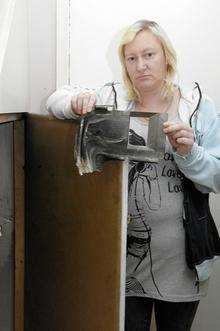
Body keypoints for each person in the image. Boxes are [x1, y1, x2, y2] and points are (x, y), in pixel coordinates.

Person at [46, 20, 220, 331]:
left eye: (149, 55)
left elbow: (215, 178)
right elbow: (55, 101)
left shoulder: (198, 107)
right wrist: (75, 103)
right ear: (125, 65)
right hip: (123, 261)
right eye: (131, 58)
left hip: (182, 264)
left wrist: (189, 153)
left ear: (166, 56)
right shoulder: (113, 99)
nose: (141, 65)